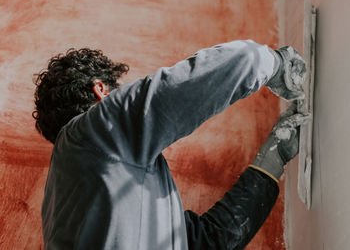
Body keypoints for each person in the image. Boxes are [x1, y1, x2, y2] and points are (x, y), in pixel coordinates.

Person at [33, 40, 309, 250]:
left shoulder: (65, 205)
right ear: (101, 92)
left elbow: (211, 241)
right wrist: (276, 62)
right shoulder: (95, 128)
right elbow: (239, 60)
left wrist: (274, 157)